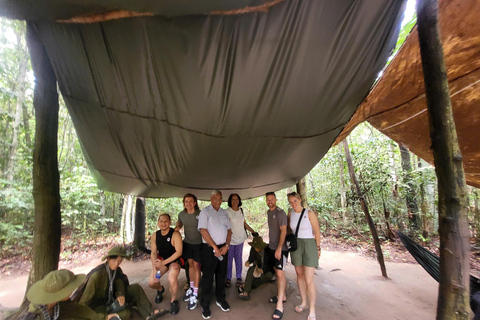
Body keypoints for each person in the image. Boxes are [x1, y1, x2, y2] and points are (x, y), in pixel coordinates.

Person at [79, 246, 162, 320]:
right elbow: (84, 303)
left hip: (112, 300)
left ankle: (149, 314)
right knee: (126, 314)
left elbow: (120, 283)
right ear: (108, 259)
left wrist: (120, 294)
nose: (116, 264)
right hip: (100, 307)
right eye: (114, 261)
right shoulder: (97, 276)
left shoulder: (117, 271)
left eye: (119, 261)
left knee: (135, 288)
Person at [25, 269, 116, 320]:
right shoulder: (34, 316)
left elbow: (80, 310)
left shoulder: (59, 305)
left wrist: (104, 318)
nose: (73, 290)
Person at [197, 190, 232, 319]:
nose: (218, 200)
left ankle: (220, 299)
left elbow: (229, 231)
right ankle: (205, 304)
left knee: (221, 275)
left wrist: (226, 246)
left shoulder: (224, 212)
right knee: (207, 276)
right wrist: (214, 247)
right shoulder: (205, 212)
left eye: (220, 198)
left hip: (223, 248)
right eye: (215, 198)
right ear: (211, 199)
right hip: (209, 249)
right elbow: (203, 230)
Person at [287, 192, 321, 320]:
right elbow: (290, 231)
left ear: (300, 200)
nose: (293, 204)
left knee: (309, 280)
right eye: (290, 202)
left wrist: (318, 248)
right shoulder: (290, 214)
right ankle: (304, 303)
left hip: (309, 245)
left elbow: (317, 231)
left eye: (295, 201)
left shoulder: (309, 213)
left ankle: (312, 310)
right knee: (299, 275)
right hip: (296, 246)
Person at [148, 213, 184, 315]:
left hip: (174, 261)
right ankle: (160, 289)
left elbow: (179, 252)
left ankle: (173, 300)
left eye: (166, 221)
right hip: (161, 261)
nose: (163, 223)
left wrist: (164, 262)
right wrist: (155, 268)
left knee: (171, 279)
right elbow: (154, 253)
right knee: (152, 282)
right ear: (158, 223)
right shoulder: (155, 235)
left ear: (170, 222)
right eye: (161, 221)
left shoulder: (175, 234)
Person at [175, 193, 202, 310]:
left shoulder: (200, 214)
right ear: (184, 203)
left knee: (197, 266)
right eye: (186, 201)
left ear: (195, 202)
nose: (189, 204)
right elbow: (179, 222)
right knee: (190, 265)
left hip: (199, 244)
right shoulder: (182, 214)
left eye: (191, 201)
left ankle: (195, 292)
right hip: (187, 243)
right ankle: (191, 288)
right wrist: (177, 227)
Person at [225, 193, 257, 289]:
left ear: (239, 201)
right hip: (230, 239)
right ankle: (228, 278)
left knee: (238, 258)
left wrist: (252, 231)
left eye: (237, 199)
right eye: (233, 199)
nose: (235, 201)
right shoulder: (227, 211)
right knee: (229, 259)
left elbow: (244, 223)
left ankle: (239, 277)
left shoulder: (240, 211)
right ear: (230, 201)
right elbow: (225, 225)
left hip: (240, 239)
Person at [265, 191, 288, 320]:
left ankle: (280, 305)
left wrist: (279, 248)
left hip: (281, 249)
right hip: (272, 247)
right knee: (276, 271)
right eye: (268, 200)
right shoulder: (269, 212)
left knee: (280, 274)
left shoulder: (280, 213)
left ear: (276, 199)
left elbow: (283, 231)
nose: (270, 202)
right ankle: (282, 295)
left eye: (272, 199)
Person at [237, 236, 274, 300]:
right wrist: (248, 262)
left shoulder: (268, 250)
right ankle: (246, 292)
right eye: (254, 246)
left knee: (268, 276)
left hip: (266, 270)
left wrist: (264, 270)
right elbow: (251, 259)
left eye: (257, 246)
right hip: (257, 268)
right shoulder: (253, 248)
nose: (255, 248)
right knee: (251, 269)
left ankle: (246, 286)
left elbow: (272, 265)